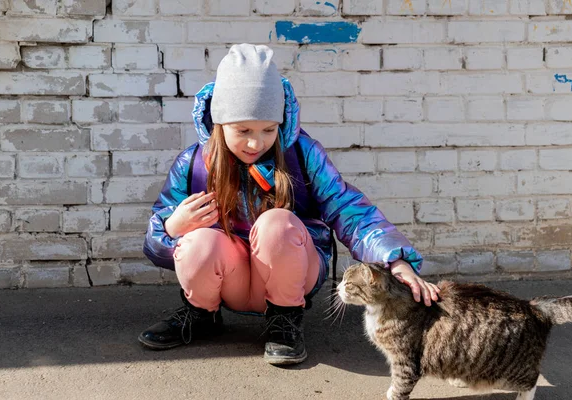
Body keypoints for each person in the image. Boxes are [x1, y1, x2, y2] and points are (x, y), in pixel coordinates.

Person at [139, 43, 440, 365]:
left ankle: (284, 322)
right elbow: (156, 243)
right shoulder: (194, 163)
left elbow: (348, 208)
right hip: (229, 280)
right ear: (219, 123)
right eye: (243, 130)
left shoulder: (302, 154)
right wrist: (172, 227)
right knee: (199, 239)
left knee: (276, 223)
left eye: (269, 129)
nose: (256, 143)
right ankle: (201, 313)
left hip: (291, 275)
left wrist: (395, 261)